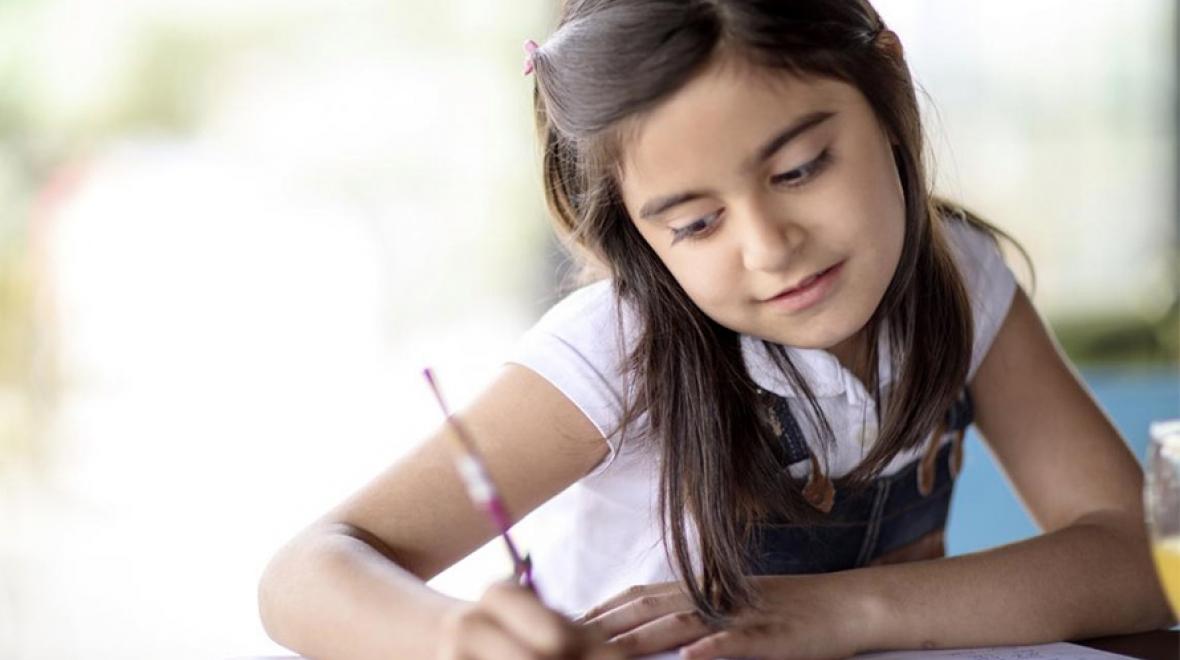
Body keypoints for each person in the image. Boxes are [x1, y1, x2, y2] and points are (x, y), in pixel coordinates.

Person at [257, 1, 1174, 658]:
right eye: (695, 223)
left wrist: (841, 613)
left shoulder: (959, 279)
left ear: (888, 82)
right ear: (637, 230)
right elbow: (305, 573)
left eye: (802, 167)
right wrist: (459, 639)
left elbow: (1139, 556)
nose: (770, 249)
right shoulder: (624, 348)